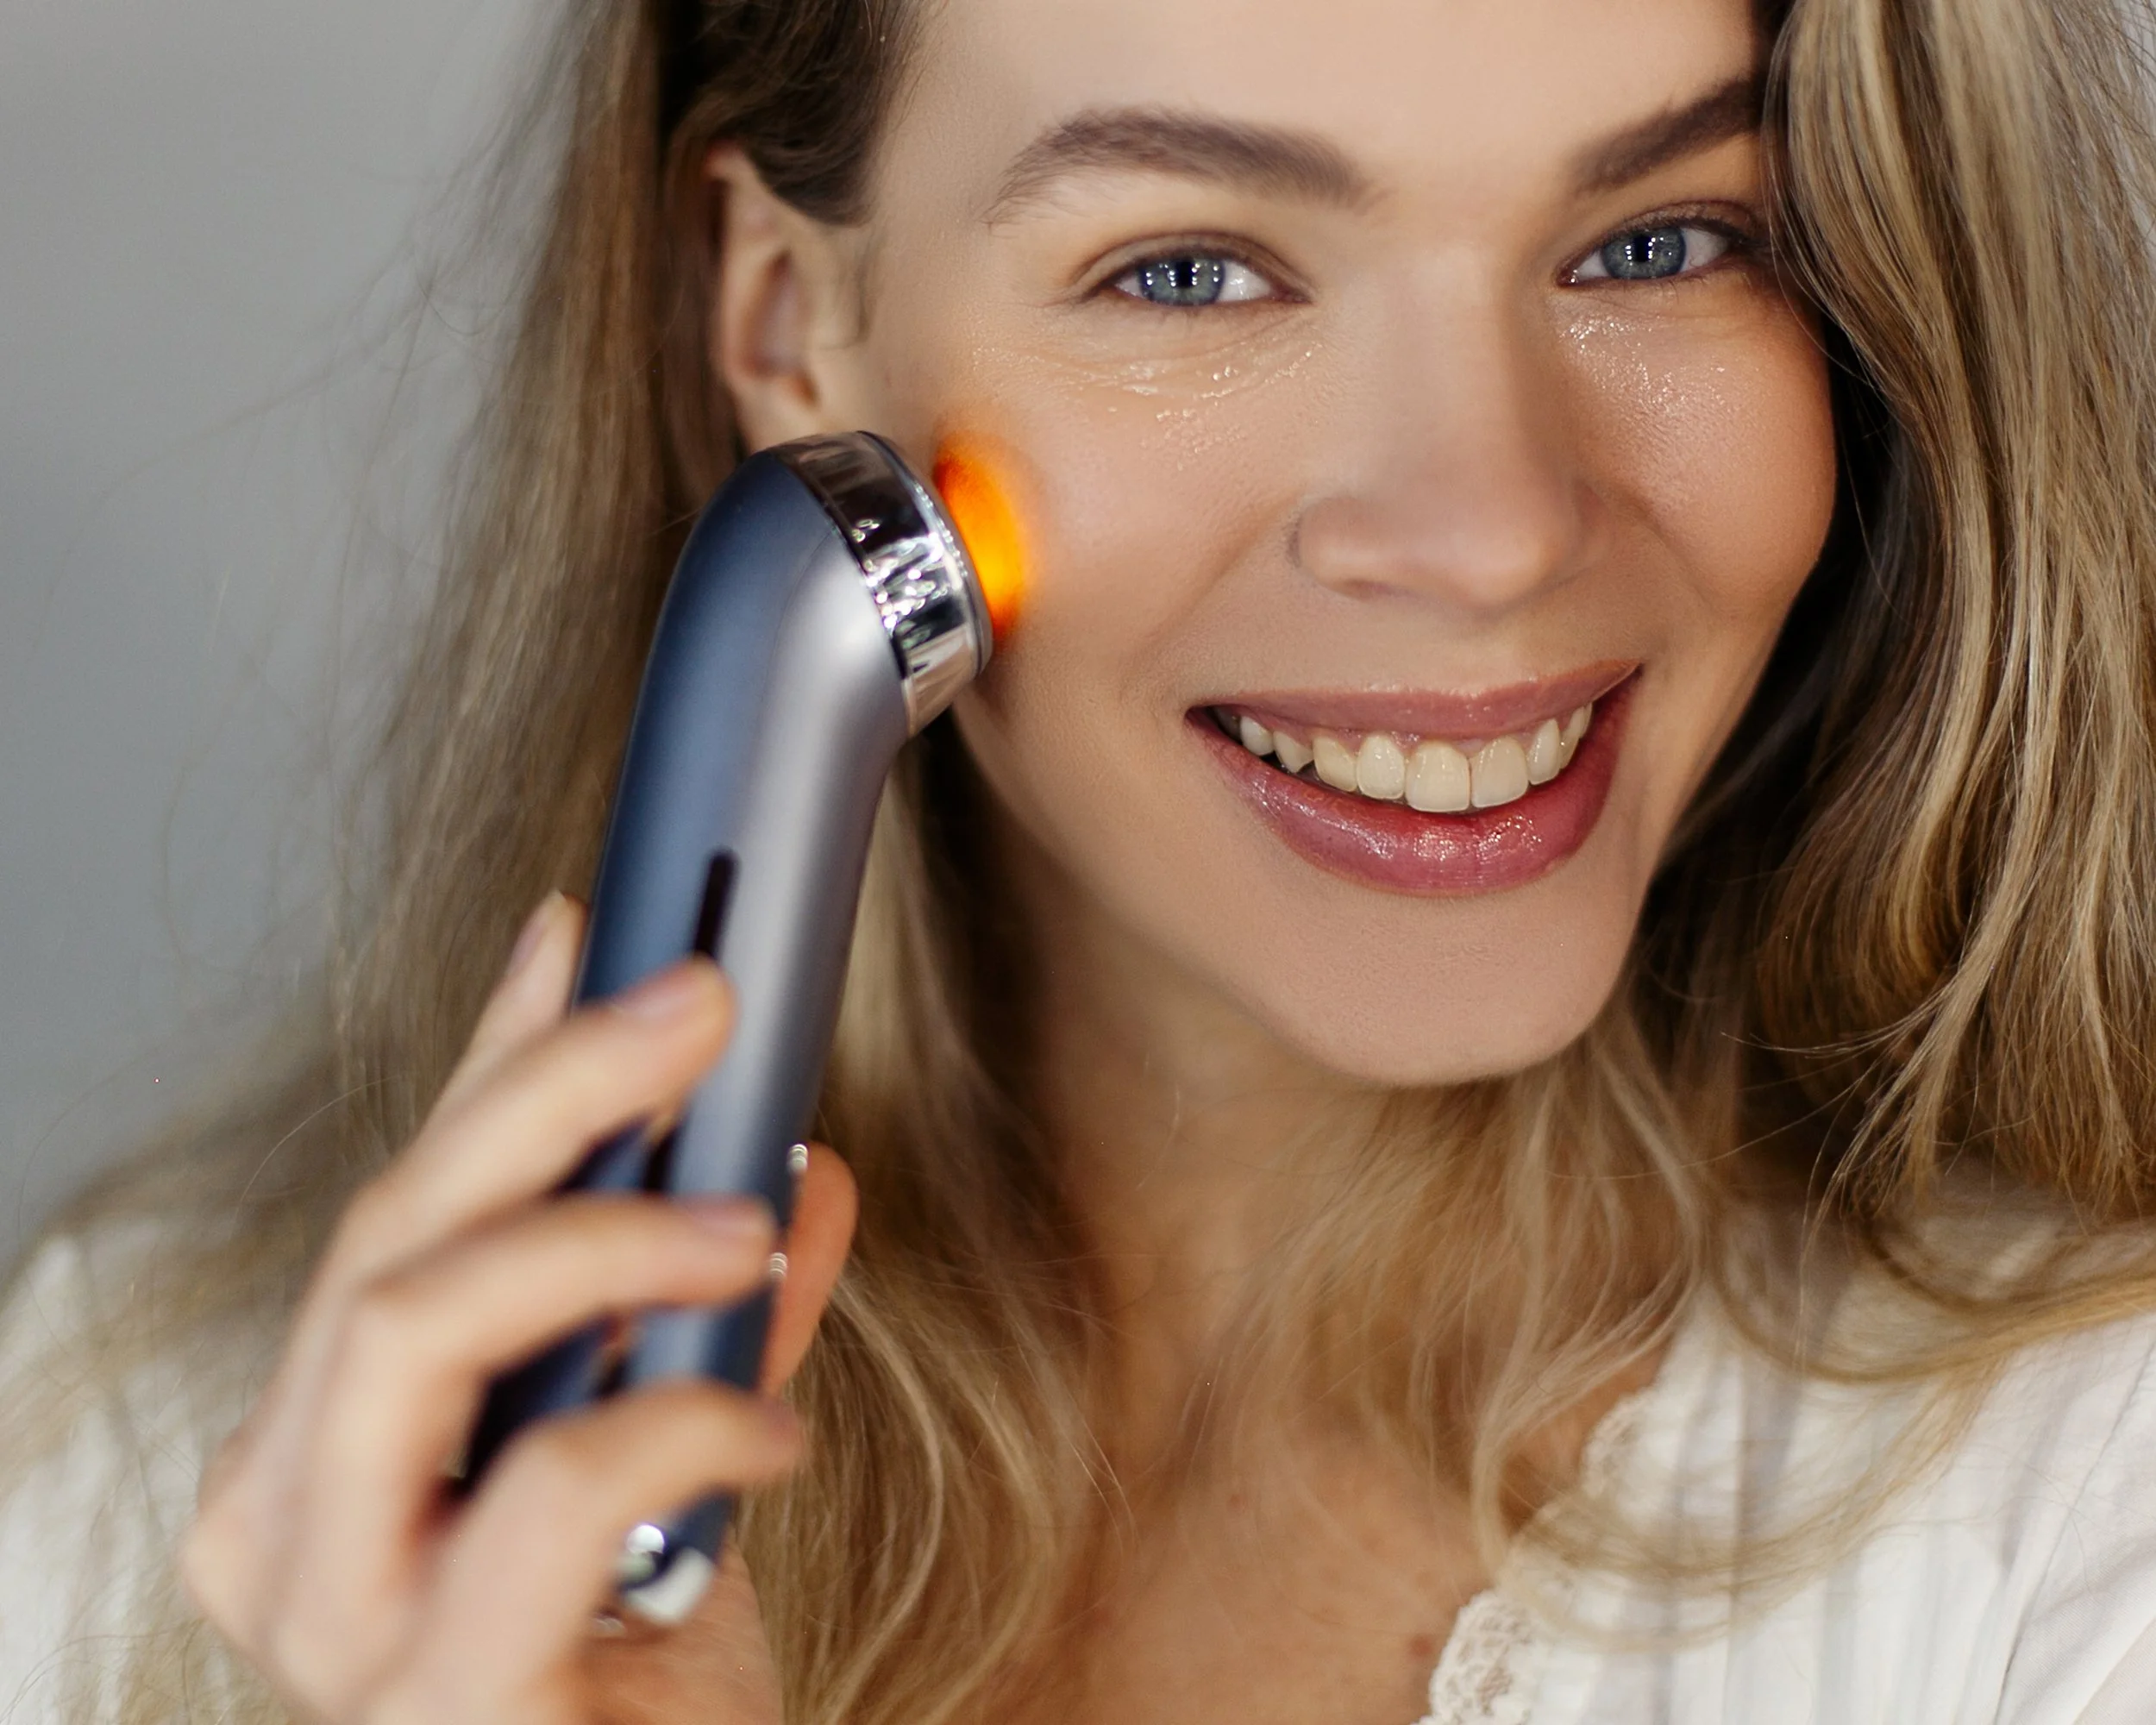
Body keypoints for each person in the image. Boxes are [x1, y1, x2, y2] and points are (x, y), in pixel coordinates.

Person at [9, 0, 2156, 1717]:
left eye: (1657, 239)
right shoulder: (116, 1454)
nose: (1488, 523)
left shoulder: (2082, 1527)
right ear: (785, 329)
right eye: (1192, 268)